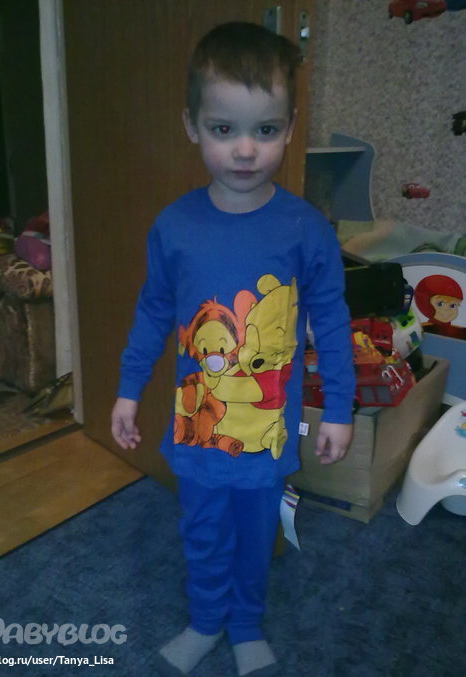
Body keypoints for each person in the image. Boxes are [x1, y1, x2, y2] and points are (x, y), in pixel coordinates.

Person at [111, 22, 355, 677]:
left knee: (254, 535)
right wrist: (129, 390)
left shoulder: (307, 229)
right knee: (202, 530)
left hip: (267, 436)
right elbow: (153, 313)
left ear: (290, 128)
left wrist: (339, 408)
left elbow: (332, 321)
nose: (246, 149)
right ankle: (205, 618)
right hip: (198, 432)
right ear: (192, 126)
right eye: (224, 129)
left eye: (265, 129)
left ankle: (244, 621)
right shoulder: (174, 227)